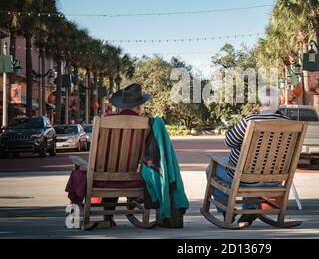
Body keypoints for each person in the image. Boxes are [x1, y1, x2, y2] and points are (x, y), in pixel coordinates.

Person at [65, 83, 189, 227]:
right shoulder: (149, 124)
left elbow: (98, 151)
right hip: (132, 177)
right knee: (117, 172)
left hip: (101, 177)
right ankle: (108, 219)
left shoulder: (106, 120)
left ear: (122, 105)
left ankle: (82, 219)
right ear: (138, 107)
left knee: (81, 172)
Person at [205, 85, 290, 226]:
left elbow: (229, 141)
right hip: (275, 179)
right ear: (278, 103)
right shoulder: (290, 123)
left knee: (211, 169)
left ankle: (227, 211)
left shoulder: (250, 120)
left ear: (260, 103)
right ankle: (249, 211)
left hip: (247, 178)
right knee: (253, 167)